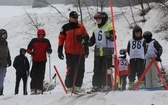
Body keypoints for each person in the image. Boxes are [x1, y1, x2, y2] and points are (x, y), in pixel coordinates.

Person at [57, 11, 89, 93]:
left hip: (80, 52)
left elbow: (86, 38)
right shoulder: (65, 27)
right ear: (70, 18)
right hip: (69, 52)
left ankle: (78, 86)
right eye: (74, 17)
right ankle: (70, 86)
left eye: (77, 17)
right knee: (70, 69)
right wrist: (59, 50)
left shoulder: (81, 27)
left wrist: (83, 40)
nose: (76, 19)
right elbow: (61, 39)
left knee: (80, 69)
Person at [87, 12, 115, 92]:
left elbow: (114, 38)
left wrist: (109, 36)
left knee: (106, 69)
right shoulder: (95, 29)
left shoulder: (109, 27)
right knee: (97, 69)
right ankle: (96, 85)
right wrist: (87, 43)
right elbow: (92, 40)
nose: (98, 21)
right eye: (96, 20)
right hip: (98, 52)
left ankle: (107, 84)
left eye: (99, 19)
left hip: (107, 52)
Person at [26, 29, 52, 94]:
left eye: (42, 35)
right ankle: (33, 88)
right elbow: (28, 49)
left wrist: (49, 50)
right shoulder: (34, 41)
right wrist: (31, 52)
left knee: (41, 75)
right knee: (33, 74)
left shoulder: (46, 41)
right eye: (40, 35)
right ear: (38, 35)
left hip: (43, 61)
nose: (41, 37)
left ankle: (39, 88)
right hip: (35, 60)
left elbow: (49, 49)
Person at [127, 25, 147, 90]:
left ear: (141, 33)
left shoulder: (143, 40)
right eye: (136, 33)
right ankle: (131, 83)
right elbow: (128, 49)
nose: (138, 34)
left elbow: (145, 49)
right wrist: (131, 55)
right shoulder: (130, 41)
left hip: (140, 58)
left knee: (140, 70)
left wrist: (142, 55)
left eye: (139, 33)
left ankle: (141, 83)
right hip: (132, 58)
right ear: (134, 33)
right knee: (132, 71)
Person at [0, 29, 11, 95]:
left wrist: (9, 59)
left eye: (5, 34)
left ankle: (1, 91)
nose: (4, 36)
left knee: (2, 77)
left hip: (4, 63)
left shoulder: (5, 43)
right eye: (3, 34)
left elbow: (7, 51)